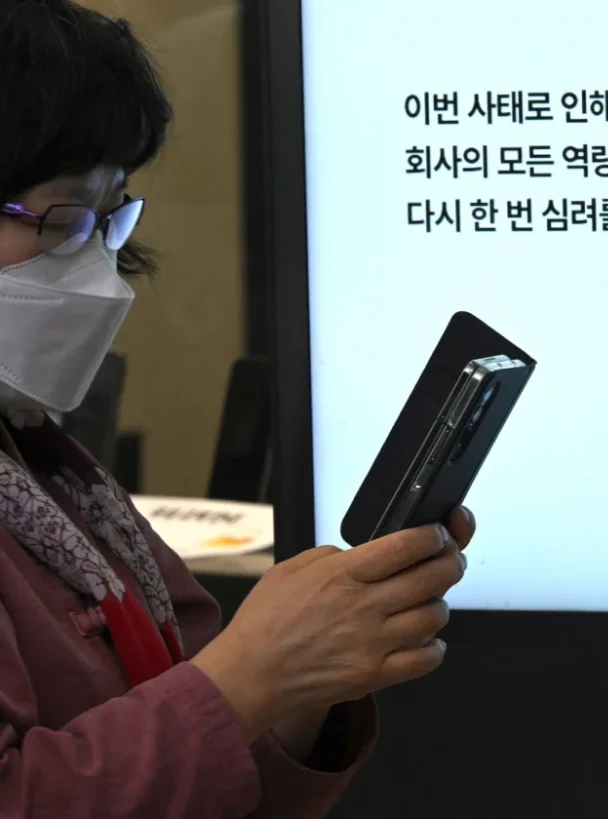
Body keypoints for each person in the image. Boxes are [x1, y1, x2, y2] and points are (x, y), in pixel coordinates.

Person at [0, 2, 472, 816]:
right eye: (65, 219)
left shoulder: (48, 467)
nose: (100, 271)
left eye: (110, 221)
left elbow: (207, 767)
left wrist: (301, 677)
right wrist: (250, 678)